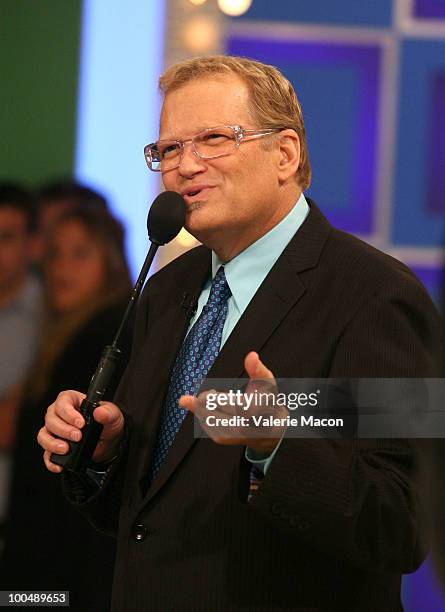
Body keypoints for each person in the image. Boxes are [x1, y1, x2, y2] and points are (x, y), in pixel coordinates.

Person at [38, 56, 441, 611]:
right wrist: (105, 454)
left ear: (285, 154)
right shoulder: (165, 290)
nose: (184, 167)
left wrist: (277, 448)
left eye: (212, 139)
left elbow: (404, 521)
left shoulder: (377, 296)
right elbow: (149, 516)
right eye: (170, 149)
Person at [1, 206, 132, 611]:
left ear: (109, 260)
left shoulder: (106, 332)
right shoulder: (64, 331)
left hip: (65, 561)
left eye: (80, 254)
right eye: (55, 254)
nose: (63, 267)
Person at [0, 184, 42, 540]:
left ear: (31, 244)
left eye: (6, 237)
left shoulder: (51, 315)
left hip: (23, 517)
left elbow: (17, 425)